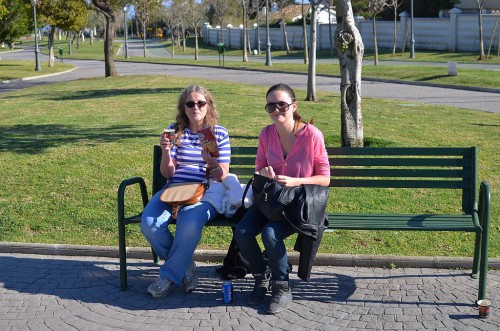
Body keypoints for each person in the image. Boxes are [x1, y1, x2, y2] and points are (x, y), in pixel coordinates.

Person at [234, 83, 330, 314]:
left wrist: (297, 181)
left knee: (270, 234)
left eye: (282, 104)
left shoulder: (312, 135)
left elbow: (325, 178)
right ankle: (261, 277)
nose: (276, 109)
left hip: (297, 205)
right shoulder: (266, 134)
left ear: (293, 106)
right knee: (243, 232)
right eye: (271, 105)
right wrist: (264, 172)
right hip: (270, 200)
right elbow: (258, 167)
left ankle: (281, 286)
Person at [141, 85, 231, 298]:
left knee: (189, 222)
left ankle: (167, 276)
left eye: (201, 103)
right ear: (183, 107)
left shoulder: (218, 133)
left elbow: (222, 176)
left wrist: (211, 164)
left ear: (208, 106)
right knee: (150, 224)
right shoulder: (175, 131)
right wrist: (165, 151)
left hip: (206, 191)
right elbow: (167, 172)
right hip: (174, 190)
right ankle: (186, 267)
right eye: (190, 103)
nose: (195, 107)